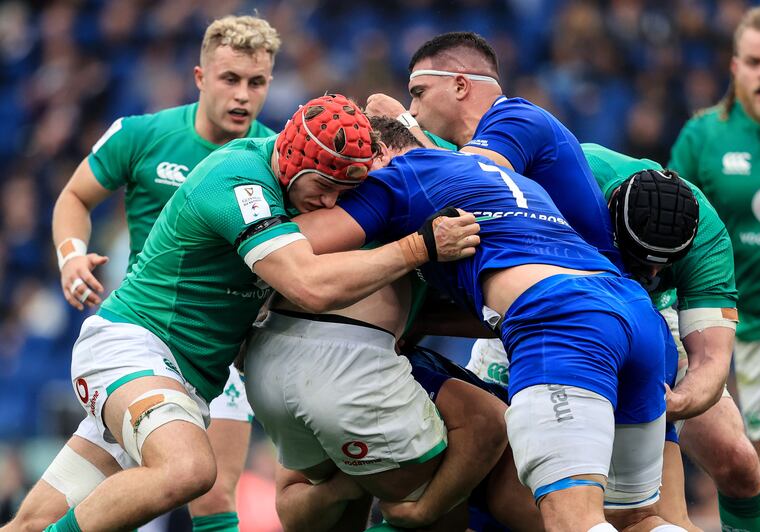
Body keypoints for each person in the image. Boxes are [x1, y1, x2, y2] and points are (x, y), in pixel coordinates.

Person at [12, 94, 480, 532]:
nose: (330, 203)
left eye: (345, 192)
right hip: (136, 348)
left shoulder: (285, 177)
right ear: (294, 163)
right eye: (325, 187)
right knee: (189, 470)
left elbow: (379, 105)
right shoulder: (240, 177)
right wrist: (419, 248)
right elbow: (310, 285)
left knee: (31, 522)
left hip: (177, 377)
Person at [293, 119, 687, 532]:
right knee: (636, 519)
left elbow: (296, 244)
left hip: (562, 324)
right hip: (634, 313)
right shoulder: (500, 177)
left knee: (573, 520)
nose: (345, 191)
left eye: (353, 176)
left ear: (378, 153)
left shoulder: (398, 177)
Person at [6, 15, 280, 532]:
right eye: (230, 79)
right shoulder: (143, 135)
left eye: (257, 82)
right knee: (198, 477)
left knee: (37, 519)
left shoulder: (273, 159)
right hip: (143, 335)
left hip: (216, 355)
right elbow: (74, 196)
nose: (243, 95)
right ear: (200, 78)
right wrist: (71, 256)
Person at [471, 143, 760, 532]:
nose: (649, 275)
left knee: (735, 458)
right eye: (638, 260)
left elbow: (711, 360)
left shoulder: (706, 236)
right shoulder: (558, 182)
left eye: (661, 267)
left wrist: (680, 401)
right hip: (543, 313)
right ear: (607, 218)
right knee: (489, 482)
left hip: (648, 319)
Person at [671, 3, 760, 530]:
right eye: (755, 61)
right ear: (735, 68)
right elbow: (674, 230)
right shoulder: (703, 138)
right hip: (740, 329)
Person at [365, 31, 622, 270]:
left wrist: (403, 124)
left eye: (419, 93)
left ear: (460, 86)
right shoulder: (469, 147)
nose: (413, 109)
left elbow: (465, 187)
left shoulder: (519, 117)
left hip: (588, 283)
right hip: (553, 281)